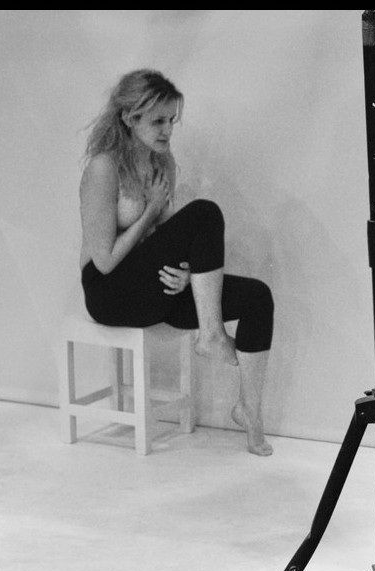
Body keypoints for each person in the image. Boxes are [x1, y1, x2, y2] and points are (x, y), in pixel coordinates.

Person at [80, 69, 273, 456]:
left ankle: (249, 411)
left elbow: (169, 237)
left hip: (148, 287)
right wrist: (151, 209)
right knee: (204, 212)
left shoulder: (161, 163)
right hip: (109, 293)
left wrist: (189, 275)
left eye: (172, 120)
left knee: (257, 297)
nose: (168, 130)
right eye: (158, 121)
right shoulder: (104, 167)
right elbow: (104, 261)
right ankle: (211, 334)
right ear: (129, 118)